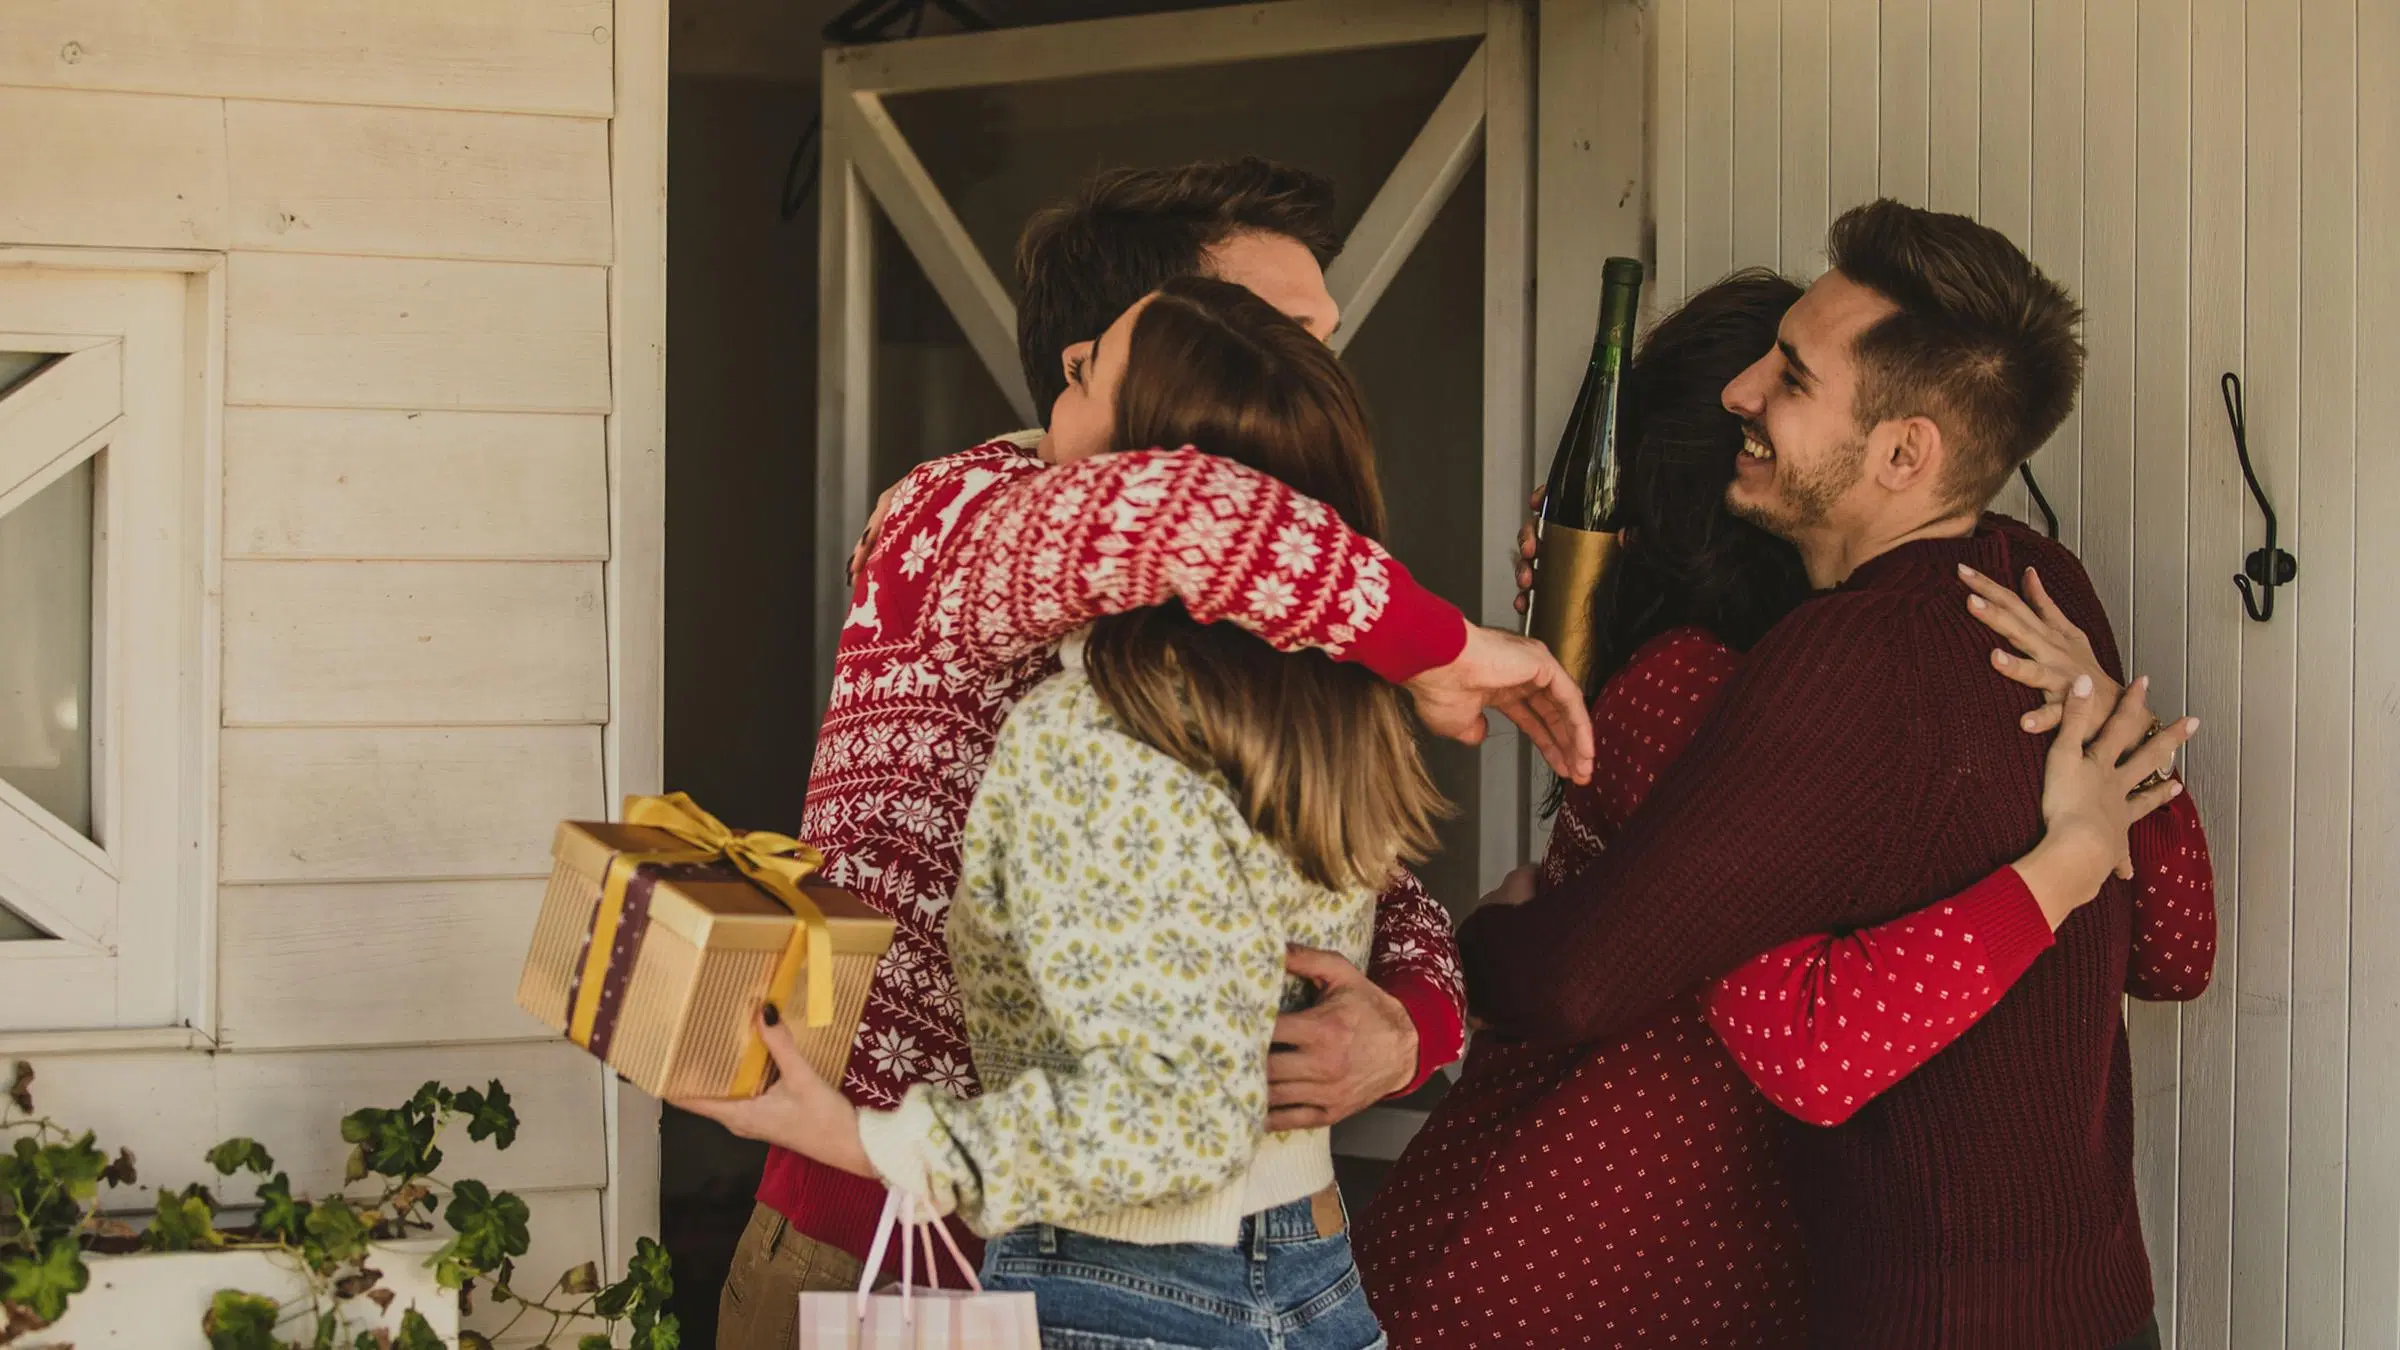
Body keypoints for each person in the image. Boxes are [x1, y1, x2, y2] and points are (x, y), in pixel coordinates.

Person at [699, 159, 1593, 1350]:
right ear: (1141, 352)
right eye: (1285, 338)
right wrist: (1437, 643)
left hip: (1228, 1247)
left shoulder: (1309, 594)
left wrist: (1402, 1029)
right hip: (889, 1230)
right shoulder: (960, 515)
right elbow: (1171, 514)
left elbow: (1371, 876)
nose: (1324, 374)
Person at [1356, 271, 2215, 1348]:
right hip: (2028, 1297)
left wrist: (1486, 941)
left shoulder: (1743, 684)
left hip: (1622, 1267)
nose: (1751, 400)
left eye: (1789, 384)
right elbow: (2177, 951)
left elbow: (1797, 1040)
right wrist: (2111, 743)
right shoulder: (2038, 589)